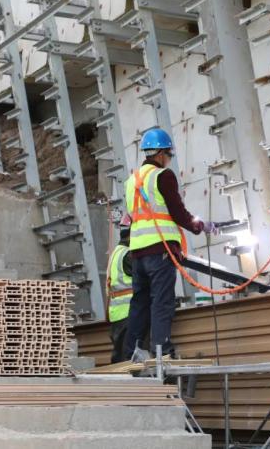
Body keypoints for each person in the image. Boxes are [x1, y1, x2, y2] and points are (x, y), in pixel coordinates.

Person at [123, 127, 217, 361]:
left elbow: (135, 217)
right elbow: (177, 212)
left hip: (137, 252)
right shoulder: (162, 176)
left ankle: (130, 351)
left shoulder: (131, 181)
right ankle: (160, 348)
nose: (169, 160)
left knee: (140, 302)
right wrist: (199, 225)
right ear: (161, 154)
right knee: (162, 300)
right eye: (169, 155)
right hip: (159, 249)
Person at [106, 225, 133, 364]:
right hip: (128, 310)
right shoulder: (128, 255)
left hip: (116, 312)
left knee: (120, 355)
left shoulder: (116, 253)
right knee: (127, 356)